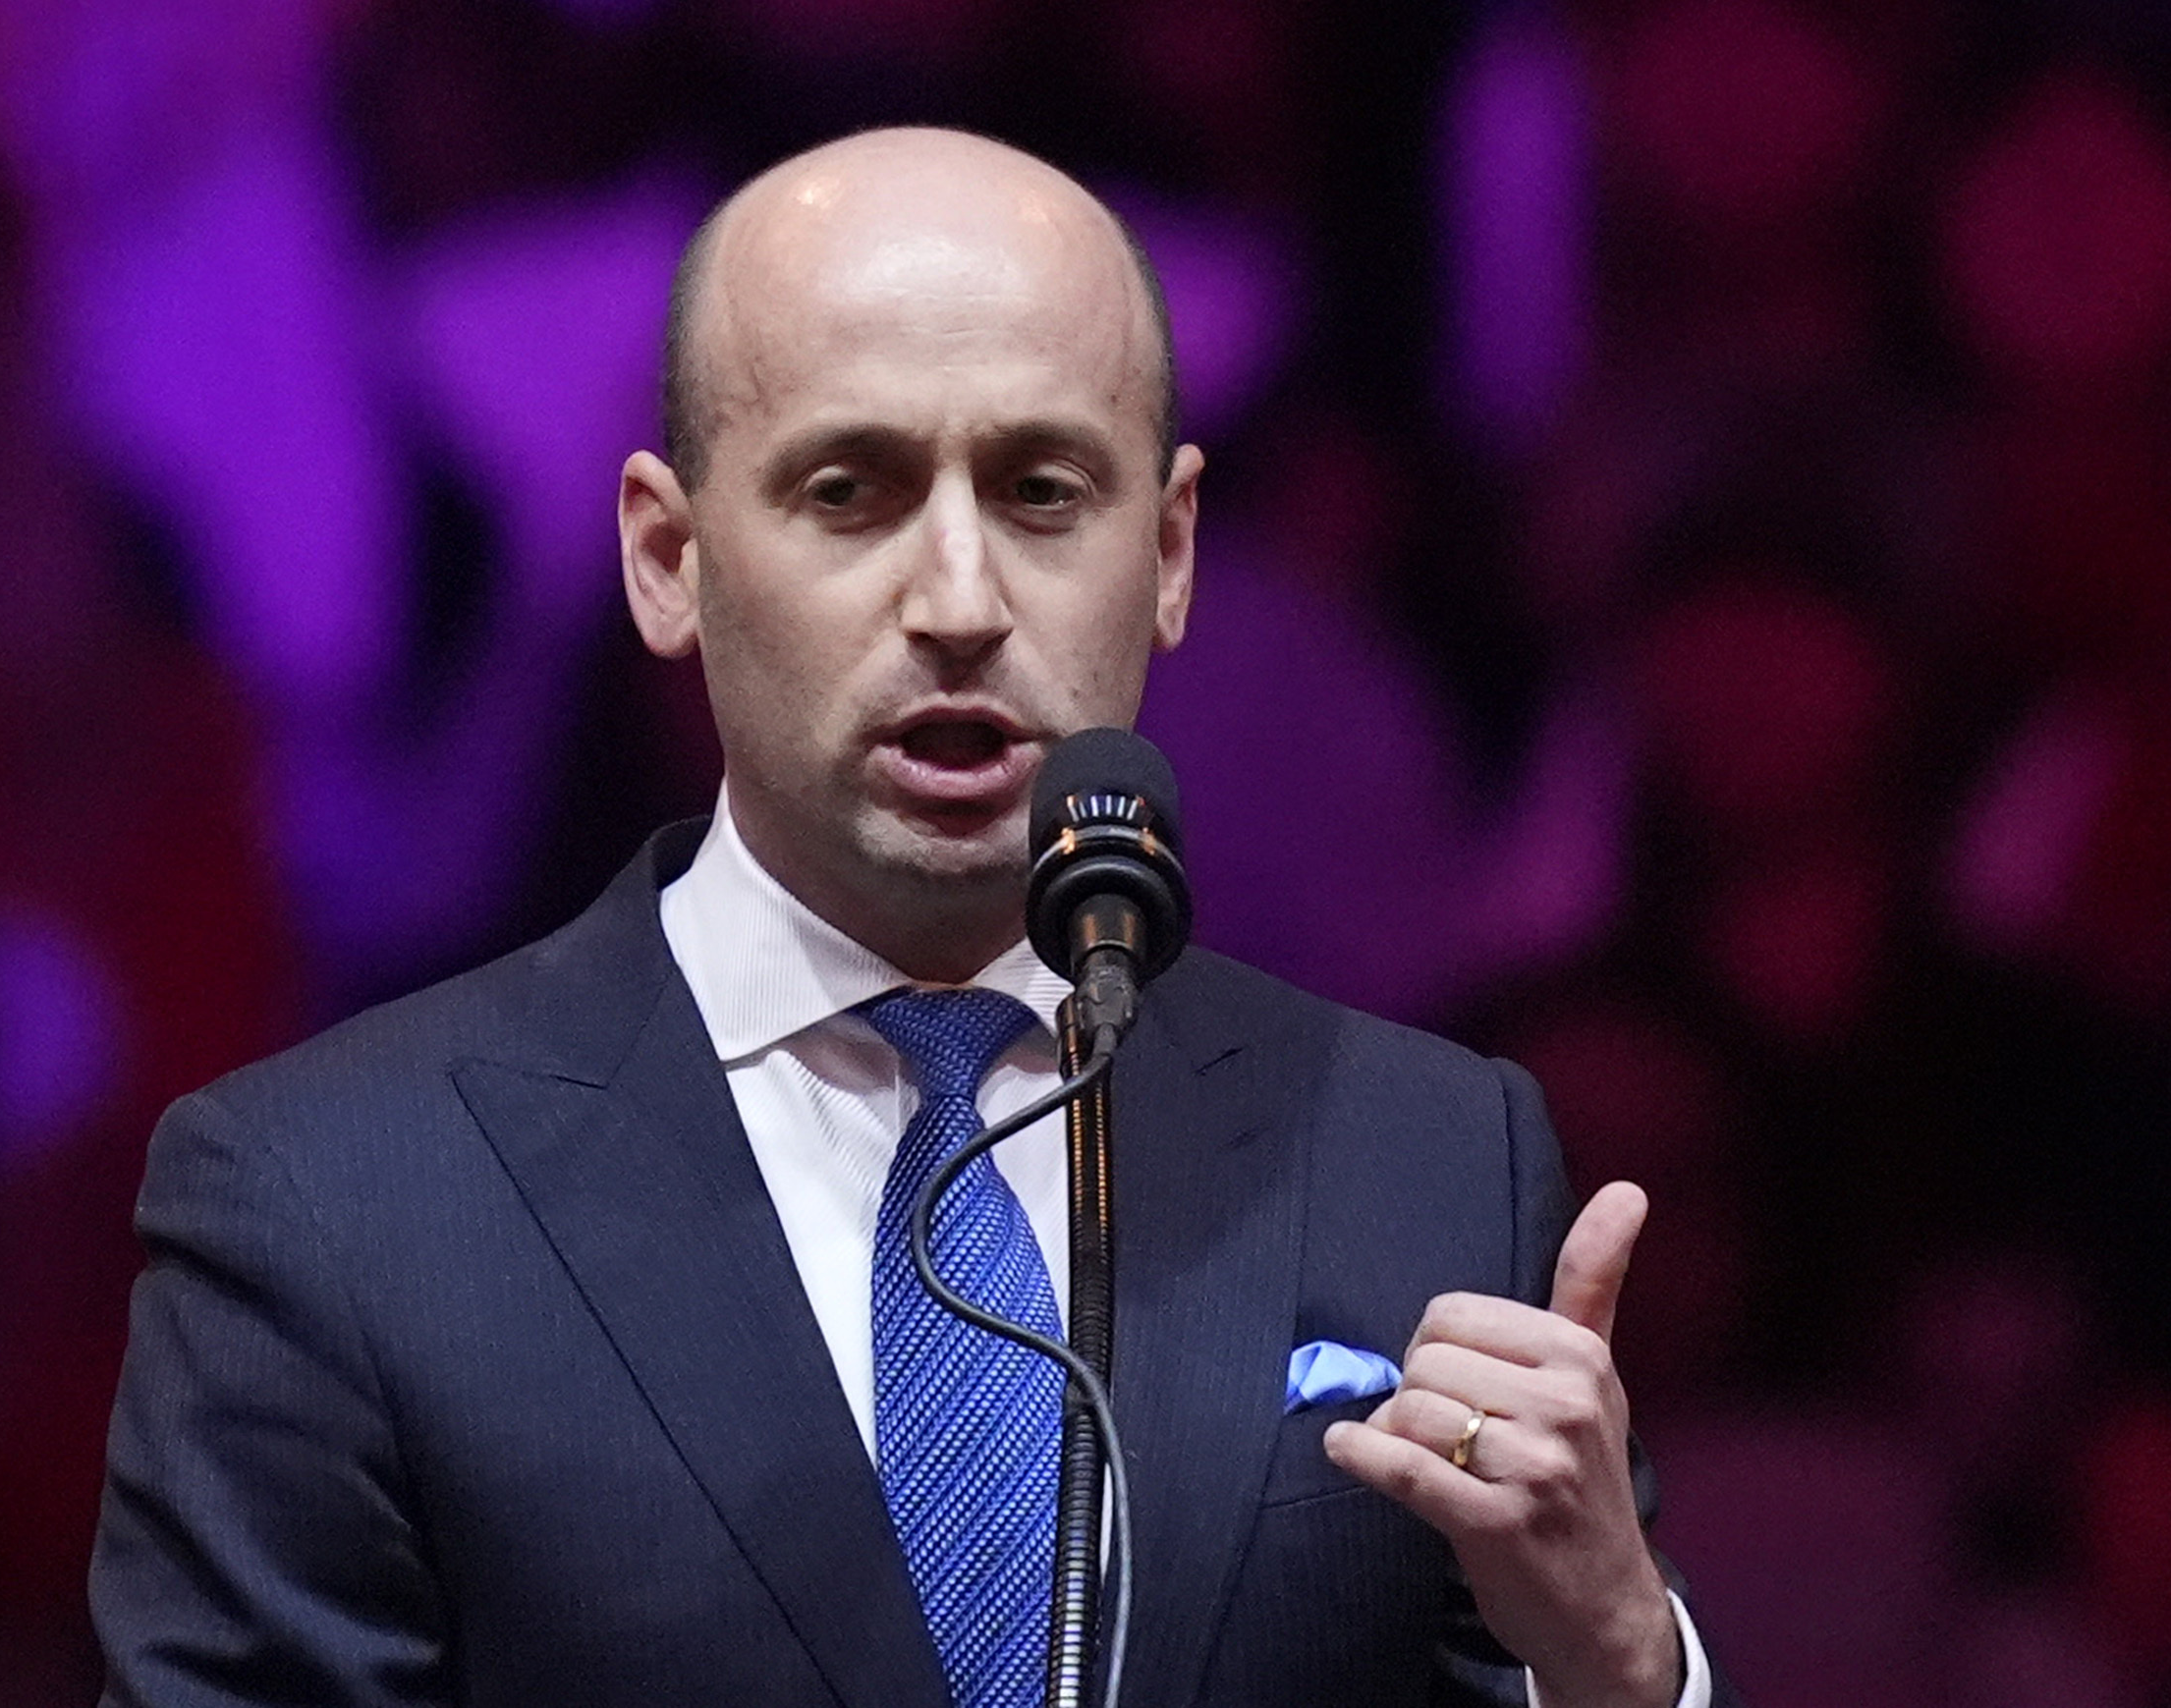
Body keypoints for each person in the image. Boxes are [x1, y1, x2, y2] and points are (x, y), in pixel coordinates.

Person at [91, 126, 1724, 1707]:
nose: (956, 605)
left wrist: (1614, 1669)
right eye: (849, 491)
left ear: (1166, 555)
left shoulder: (1423, 1158)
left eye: (1040, 492)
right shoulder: (331, 1204)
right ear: (667, 560)